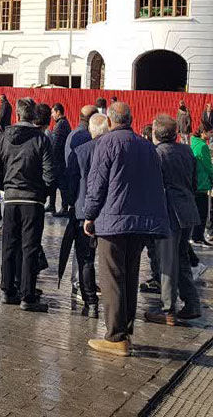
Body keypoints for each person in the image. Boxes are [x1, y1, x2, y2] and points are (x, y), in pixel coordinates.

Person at [82, 102, 171, 357]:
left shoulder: (106, 143)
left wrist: (89, 216)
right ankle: (126, 331)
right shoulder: (147, 146)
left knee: (111, 278)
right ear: (130, 119)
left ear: (109, 121)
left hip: (113, 220)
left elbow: (97, 183)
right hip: (140, 222)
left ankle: (115, 336)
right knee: (130, 276)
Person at [0, 97, 54, 312]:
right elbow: (50, 175)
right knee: (29, 248)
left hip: (11, 198)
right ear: (33, 116)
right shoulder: (41, 139)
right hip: (32, 200)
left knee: (9, 244)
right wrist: (42, 191)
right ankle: (28, 295)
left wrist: (4, 187)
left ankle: (7, 290)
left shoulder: (3, 138)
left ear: (16, 115)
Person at [146, 115, 202, 325]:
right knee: (182, 258)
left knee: (167, 261)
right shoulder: (186, 151)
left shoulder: (157, 154)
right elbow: (194, 182)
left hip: (170, 213)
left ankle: (168, 309)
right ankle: (192, 303)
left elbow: (152, 186)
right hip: (188, 210)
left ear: (156, 133)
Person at [66, 113, 109, 318]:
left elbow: (71, 182)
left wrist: (70, 204)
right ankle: (113, 302)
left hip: (83, 211)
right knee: (111, 261)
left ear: (91, 130)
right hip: (110, 213)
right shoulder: (115, 150)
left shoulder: (80, 152)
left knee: (86, 259)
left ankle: (90, 301)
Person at [190, 125, 213, 245]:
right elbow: (208, 166)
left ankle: (194, 235)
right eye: (210, 132)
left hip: (194, 182)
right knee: (203, 212)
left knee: (196, 211)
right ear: (203, 133)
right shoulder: (203, 146)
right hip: (202, 181)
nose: (211, 135)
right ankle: (198, 236)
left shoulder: (193, 143)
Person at [48, 103, 72, 215]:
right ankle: (51, 205)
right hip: (60, 159)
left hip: (59, 160)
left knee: (62, 184)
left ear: (58, 112)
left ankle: (64, 208)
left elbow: (56, 144)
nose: (52, 115)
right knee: (54, 184)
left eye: (53, 112)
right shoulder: (61, 123)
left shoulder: (61, 125)